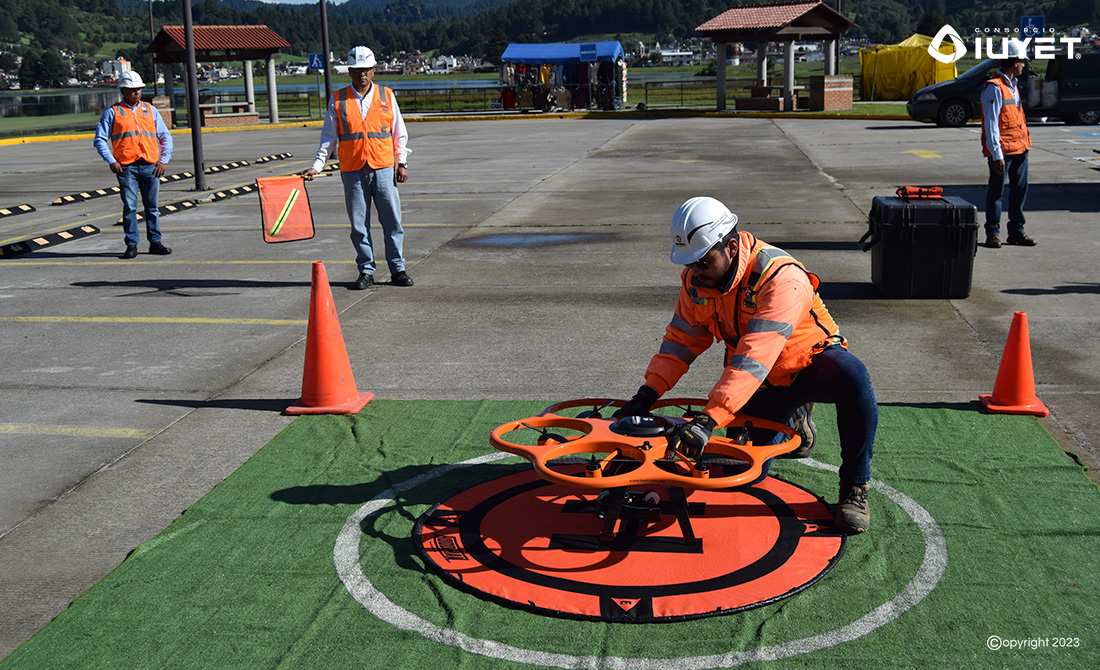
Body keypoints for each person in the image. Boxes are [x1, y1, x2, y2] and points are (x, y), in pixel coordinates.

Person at [613, 197, 878, 534]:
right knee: (739, 476)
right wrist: (647, 392)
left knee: (853, 376)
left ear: (733, 247)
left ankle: (855, 486)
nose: (696, 271)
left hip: (808, 364)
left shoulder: (781, 278)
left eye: (704, 262)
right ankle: (794, 417)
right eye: (691, 263)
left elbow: (757, 354)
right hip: (759, 382)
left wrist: (710, 418)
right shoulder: (698, 281)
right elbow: (682, 340)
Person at [303, 46, 412, 289]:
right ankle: (366, 270)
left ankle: (398, 269)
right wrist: (317, 166)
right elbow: (328, 138)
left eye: (366, 70)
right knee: (358, 224)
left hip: (383, 167)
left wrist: (401, 162)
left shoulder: (386, 95)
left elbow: (399, 133)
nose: (362, 74)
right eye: (357, 70)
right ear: (349, 71)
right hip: (352, 169)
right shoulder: (339, 98)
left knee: (392, 221)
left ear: (373, 71)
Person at [93, 70, 173, 259]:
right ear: (123, 90)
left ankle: (155, 242)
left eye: (138, 89)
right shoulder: (112, 112)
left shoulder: (150, 110)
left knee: (152, 207)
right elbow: (99, 139)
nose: (136, 92)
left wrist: (164, 160)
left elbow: (165, 136)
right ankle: (131, 244)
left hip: (150, 165)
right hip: (126, 167)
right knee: (129, 207)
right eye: (132, 89)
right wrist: (111, 160)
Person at [981, 41, 1034, 248]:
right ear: (1014, 62)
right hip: (1003, 151)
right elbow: (991, 123)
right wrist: (997, 155)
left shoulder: (1013, 86)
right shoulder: (994, 88)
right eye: (1022, 61)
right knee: (996, 193)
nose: (1024, 65)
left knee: (1019, 190)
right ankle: (993, 233)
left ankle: (1016, 232)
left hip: (1021, 148)